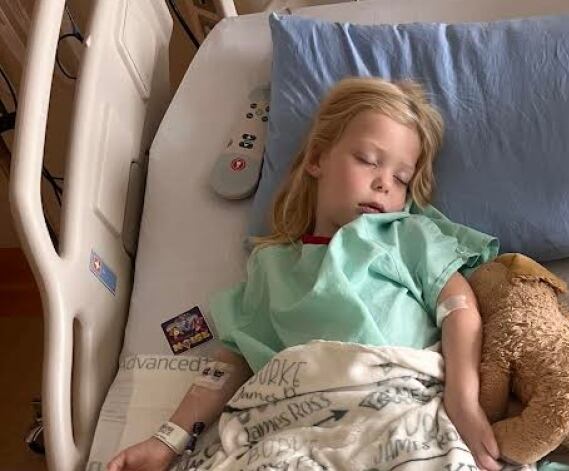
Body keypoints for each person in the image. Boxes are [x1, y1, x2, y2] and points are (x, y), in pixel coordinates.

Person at [107, 76, 502, 471]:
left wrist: (463, 399)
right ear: (317, 158)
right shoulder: (272, 265)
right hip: (294, 428)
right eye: (367, 159)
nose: (384, 183)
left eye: (402, 178)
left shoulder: (405, 236)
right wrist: (167, 440)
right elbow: (233, 358)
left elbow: (459, 307)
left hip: (397, 412)